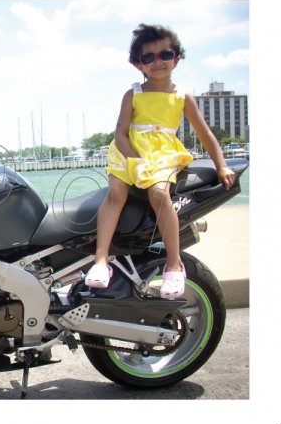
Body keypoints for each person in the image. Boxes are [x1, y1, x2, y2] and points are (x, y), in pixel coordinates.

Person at [85, 23, 236, 299]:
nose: (157, 62)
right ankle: (101, 259)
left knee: (158, 193)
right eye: (148, 57)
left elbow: (205, 133)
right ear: (137, 64)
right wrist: (135, 159)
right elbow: (120, 133)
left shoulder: (182, 96)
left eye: (165, 55)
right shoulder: (132, 94)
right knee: (116, 193)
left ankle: (174, 264)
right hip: (129, 150)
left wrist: (221, 164)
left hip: (162, 153)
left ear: (176, 58)